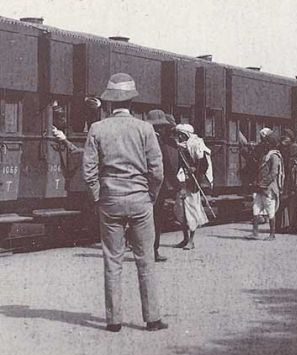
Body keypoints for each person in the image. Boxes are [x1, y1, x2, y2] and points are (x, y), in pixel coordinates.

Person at [82, 72, 167, 332]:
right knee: (145, 259)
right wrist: (150, 195)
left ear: (109, 103)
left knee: (112, 260)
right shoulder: (145, 129)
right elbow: (157, 171)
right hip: (140, 200)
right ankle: (152, 319)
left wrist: (98, 196)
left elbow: (88, 171)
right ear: (132, 101)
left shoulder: (97, 128)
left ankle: (113, 320)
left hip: (110, 200)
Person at [174, 124, 212, 249]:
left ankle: (191, 240)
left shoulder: (196, 145)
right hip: (181, 183)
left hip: (192, 184)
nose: (179, 136)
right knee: (181, 212)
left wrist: (195, 169)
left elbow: (204, 165)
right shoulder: (179, 147)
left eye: (181, 134)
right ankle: (185, 239)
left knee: (191, 212)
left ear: (186, 134)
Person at [147, 109, 177, 262]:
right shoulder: (159, 142)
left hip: (140, 185)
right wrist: (176, 185)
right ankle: (153, 251)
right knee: (156, 219)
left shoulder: (142, 139)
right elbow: (166, 166)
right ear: (160, 127)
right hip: (157, 187)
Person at [246, 130, 284, 240]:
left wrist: (262, 183)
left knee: (270, 211)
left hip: (269, 188)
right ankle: (255, 232)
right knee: (255, 209)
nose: (265, 143)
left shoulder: (274, 156)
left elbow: (274, 173)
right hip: (260, 187)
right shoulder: (266, 155)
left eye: (267, 142)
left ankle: (272, 235)